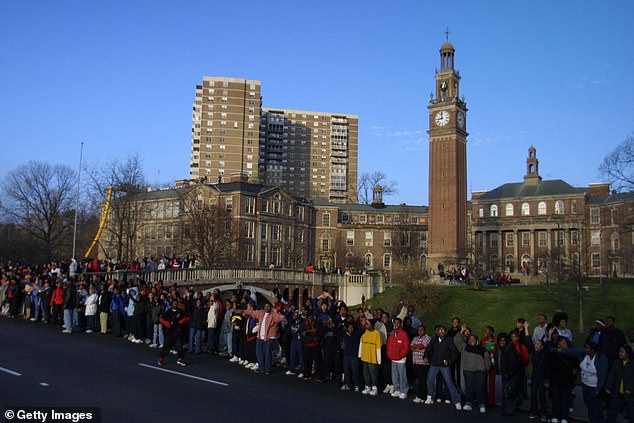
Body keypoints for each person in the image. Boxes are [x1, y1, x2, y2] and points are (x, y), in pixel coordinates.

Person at [560, 342, 609, 423]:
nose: (585, 349)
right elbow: (573, 352)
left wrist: (598, 389)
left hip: (595, 387)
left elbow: (602, 375)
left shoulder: (601, 359)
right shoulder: (584, 354)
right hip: (585, 385)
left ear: (593, 350)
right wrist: (561, 350)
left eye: (587, 348)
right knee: (589, 406)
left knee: (596, 408)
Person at [424, 325, 462, 410]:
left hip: (444, 365)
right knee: (429, 380)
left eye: (442, 330)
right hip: (434, 364)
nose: (441, 332)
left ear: (445, 332)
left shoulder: (449, 340)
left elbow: (454, 353)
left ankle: (457, 401)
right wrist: (426, 356)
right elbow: (428, 348)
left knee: (449, 383)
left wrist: (449, 361)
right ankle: (430, 396)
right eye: (439, 330)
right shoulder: (434, 339)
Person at [454, 324, 490, 413]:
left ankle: (482, 404)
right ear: (468, 341)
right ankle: (468, 403)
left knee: (480, 388)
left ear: (477, 341)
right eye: (470, 339)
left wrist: (486, 368)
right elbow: (457, 340)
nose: (472, 341)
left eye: (474, 339)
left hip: (480, 371)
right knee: (468, 387)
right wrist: (461, 332)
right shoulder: (465, 347)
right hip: (468, 370)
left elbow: (487, 360)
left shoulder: (482, 349)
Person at [242, 302, 286, 374]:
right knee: (259, 352)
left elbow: (279, 317)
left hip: (269, 337)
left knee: (267, 353)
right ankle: (262, 367)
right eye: (265, 306)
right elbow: (252, 312)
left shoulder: (273, 314)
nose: (266, 308)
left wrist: (283, 318)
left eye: (268, 306)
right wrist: (243, 311)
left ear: (270, 307)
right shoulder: (261, 313)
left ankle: (267, 369)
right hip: (260, 336)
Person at [544, 337, 579, 423]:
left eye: (564, 343)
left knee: (564, 398)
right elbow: (548, 367)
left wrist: (576, 370)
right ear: (558, 345)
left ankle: (564, 416)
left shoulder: (570, 354)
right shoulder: (553, 355)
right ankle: (555, 415)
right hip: (556, 380)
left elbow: (577, 365)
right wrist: (547, 380)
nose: (564, 345)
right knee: (556, 399)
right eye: (562, 343)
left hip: (566, 380)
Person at [604, 345, 634, 423]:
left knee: (632, 415)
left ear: (628, 354)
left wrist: (630, 389)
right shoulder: (617, 363)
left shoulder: (632, 364)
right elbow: (612, 375)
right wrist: (608, 387)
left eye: (622, 352)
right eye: (619, 351)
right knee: (611, 414)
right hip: (617, 393)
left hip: (630, 395)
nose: (619, 353)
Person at [158, 300, 191, 367]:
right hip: (170, 332)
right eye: (174, 303)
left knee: (180, 347)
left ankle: (180, 359)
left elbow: (188, 317)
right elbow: (161, 319)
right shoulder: (168, 311)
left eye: (176, 303)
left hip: (178, 332)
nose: (175, 304)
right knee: (166, 346)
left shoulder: (181, 311)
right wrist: (167, 324)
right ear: (171, 304)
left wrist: (182, 321)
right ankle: (161, 357)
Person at [386, 317, 410, 400]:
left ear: (400, 324)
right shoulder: (392, 333)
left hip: (401, 359)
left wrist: (401, 355)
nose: (396, 324)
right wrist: (389, 354)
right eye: (395, 323)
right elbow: (388, 345)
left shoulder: (403, 334)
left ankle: (404, 391)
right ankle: (397, 389)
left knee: (402, 376)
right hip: (393, 358)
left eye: (398, 323)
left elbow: (406, 347)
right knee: (394, 376)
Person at [359, 318, 382, 396]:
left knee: (373, 373)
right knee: (366, 373)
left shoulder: (377, 333)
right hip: (365, 357)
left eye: (367, 324)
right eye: (365, 324)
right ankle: (368, 386)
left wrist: (379, 359)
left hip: (373, 358)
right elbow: (361, 344)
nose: (366, 326)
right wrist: (360, 355)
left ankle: (374, 387)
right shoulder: (364, 333)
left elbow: (378, 347)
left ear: (372, 325)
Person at [528, 340, 548, 421]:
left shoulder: (545, 354)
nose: (536, 345)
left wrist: (547, 380)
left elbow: (547, 368)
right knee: (533, 395)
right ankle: (533, 411)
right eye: (535, 344)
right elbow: (528, 342)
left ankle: (543, 413)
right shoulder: (533, 352)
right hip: (535, 376)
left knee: (542, 396)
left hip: (542, 377)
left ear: (542, 347)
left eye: (538, 344)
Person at [411, 325, 431, 403]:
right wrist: (417, 348)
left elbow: (421, 346)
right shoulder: (415, 338)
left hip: (423, 363)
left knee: (422, 380)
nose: (420, 332)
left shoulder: (427, 338)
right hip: (416, 361)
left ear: (424, 330)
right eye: (419, 330)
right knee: (419, 380)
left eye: (421, 330)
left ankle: (421, 396)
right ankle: (422, 395)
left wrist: (416, 347)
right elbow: (411, 347)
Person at [341, 321, 362, 392]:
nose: (350, 329)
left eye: (352, 328)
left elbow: (362, 331)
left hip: (354, 356)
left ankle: (357, 385)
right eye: (349, 328)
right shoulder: (345, 334)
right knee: (346, 371)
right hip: (346, 355)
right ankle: (346, 384)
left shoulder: (357, 335)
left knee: (355, 371)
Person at [481, 326, 498, 407]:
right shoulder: (483, 340)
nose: (485, 332)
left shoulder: (495, 341)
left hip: (492, 364)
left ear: (491, 332)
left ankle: (491, 400)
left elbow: (497, 352)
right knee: (483, 382)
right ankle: (484, 398)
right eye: (484, 331)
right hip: (484, 363)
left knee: (491, 382)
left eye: (487, 331)